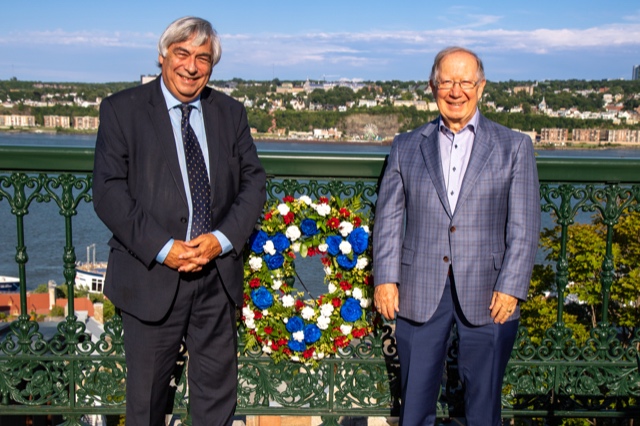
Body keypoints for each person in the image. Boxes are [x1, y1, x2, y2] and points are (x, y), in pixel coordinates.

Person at [93, 17, 266, 426]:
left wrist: (220, 240)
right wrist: (164, 248)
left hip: (216, 278)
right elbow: (109, 192)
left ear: (212, 66)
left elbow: (254, 184)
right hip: (151, 278)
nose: (191, 67)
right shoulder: (123, 110)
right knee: (146, 405)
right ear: (162, 55)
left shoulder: (230, 112)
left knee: (216, 405)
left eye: (202, 58)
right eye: (182, 54)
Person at [373, 46, 540, 425]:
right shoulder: (405, 146)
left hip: (492, 292)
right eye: (447, 81)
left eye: (465, 82)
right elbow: (388, 219)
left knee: (483, 406)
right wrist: (385, 279)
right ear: (433, 86)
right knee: (414, 404)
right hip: (418, 289)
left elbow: (525, 225)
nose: (455, 91)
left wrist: (512, 286)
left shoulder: (514, 147)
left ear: (480, 87)